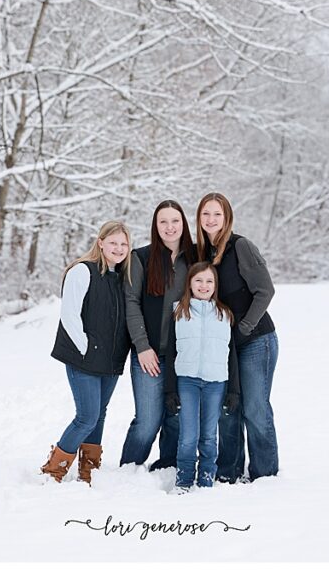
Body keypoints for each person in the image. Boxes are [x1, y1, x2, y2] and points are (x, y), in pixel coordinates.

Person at [195, 192, 278, 482]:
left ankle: (264, 474)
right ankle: (228, 472)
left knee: (255, 408)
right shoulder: (201, 253)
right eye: (206, 214)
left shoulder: (241, 247)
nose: (211, 219)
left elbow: (265, 291)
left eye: (217, 214)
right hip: (223, 346)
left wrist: (244, 328)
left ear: (227, 217)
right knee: (227, 409)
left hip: (256, 339)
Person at [41, 220, 131, 483]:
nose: (118, 248)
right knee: (87, 417)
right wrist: (86, 348)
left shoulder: (122, 278)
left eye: (124, 244)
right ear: (100, 242)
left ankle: (88, 467)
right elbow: (69, 315)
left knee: (100, 414)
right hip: (84, 358)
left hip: (111, 360)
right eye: (113, 242)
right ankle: (54, 468)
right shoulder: (82, 271)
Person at [120, 200, 194, 469]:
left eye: (175, 221)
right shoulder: (141, 258)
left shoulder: (196, 258)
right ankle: (128, 471)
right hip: (149, 354)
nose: (170, 227)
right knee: (148, 421)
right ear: (155, 225)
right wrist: (142, 346)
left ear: (183, 224)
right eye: (163, 221)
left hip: (184, 354)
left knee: (176, 415)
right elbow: (131, 302)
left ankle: (168, 468)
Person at [163, 262, 239, 491]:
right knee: (188, 435)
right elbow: (171, 353)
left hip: (216, 383)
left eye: (209, 281)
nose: (203, 285)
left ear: (215, 285)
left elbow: (231, 354)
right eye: (198, 280)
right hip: (187, 381)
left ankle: (206, 478)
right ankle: (184, 480)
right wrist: (170, 390)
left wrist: (233, 390)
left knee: (208, 434)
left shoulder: (224, 314)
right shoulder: (179, 312)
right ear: (189, 283)